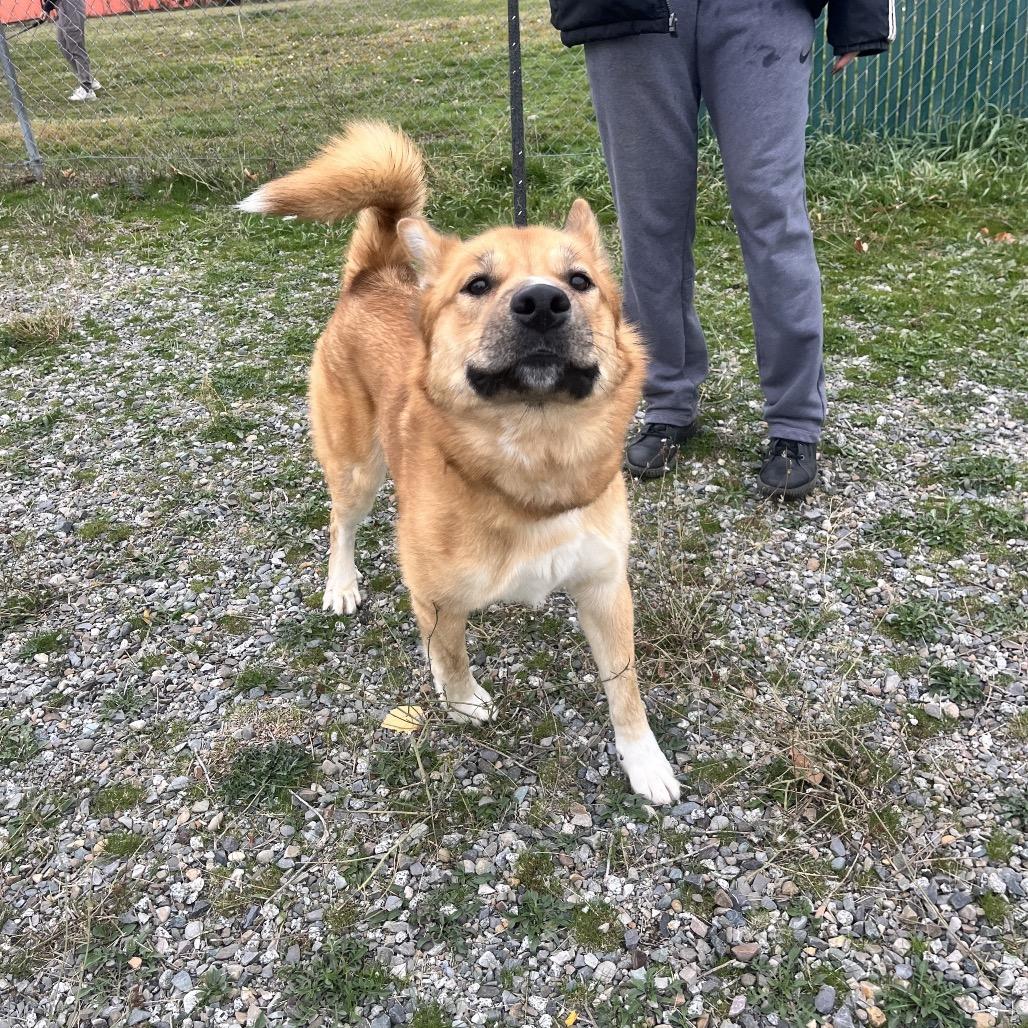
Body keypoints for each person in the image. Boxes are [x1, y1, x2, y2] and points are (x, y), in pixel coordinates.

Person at [547, 0, 894, 498]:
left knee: (773, 215)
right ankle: (666, 403)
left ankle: (795, 422)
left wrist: (861, 15)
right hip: (631, 12)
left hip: (763, 11)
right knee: (647, 222)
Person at [45, 0, 101, 102]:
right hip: (60, 4)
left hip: (70, 4)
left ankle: (86, 88)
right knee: (63, 45)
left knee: (75, 44)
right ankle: (88, 79)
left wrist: (47, 6)